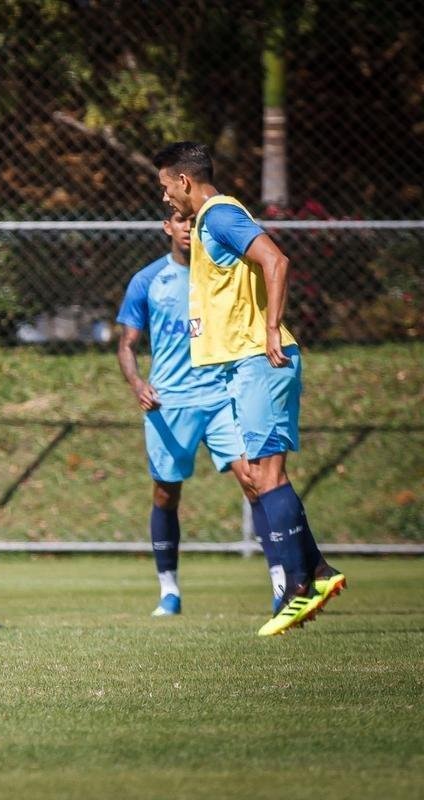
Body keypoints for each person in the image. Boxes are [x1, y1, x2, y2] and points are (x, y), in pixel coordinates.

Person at [151, 142, 346, 636]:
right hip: (243, 364)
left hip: (261, 359)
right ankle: (318, 572)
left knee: (269, 475)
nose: (165, 198)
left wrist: (273, 328)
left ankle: (299, 588)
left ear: (184, 182)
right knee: (260, 476)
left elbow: (276, 261)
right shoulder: (210, 221)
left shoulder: (217, 216)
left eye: (165, 187)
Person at [117, 209, 285, 616]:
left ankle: (283, 582)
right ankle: (169, 591)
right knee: (165, 493)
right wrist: (139, 384)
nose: (188, 229)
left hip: (221, 396)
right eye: (180, 222)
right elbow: (127, 344)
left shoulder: (222, 272)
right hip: (169, 402)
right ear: (167, 228)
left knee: (254, 480)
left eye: (194, 222)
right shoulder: (148, 280)